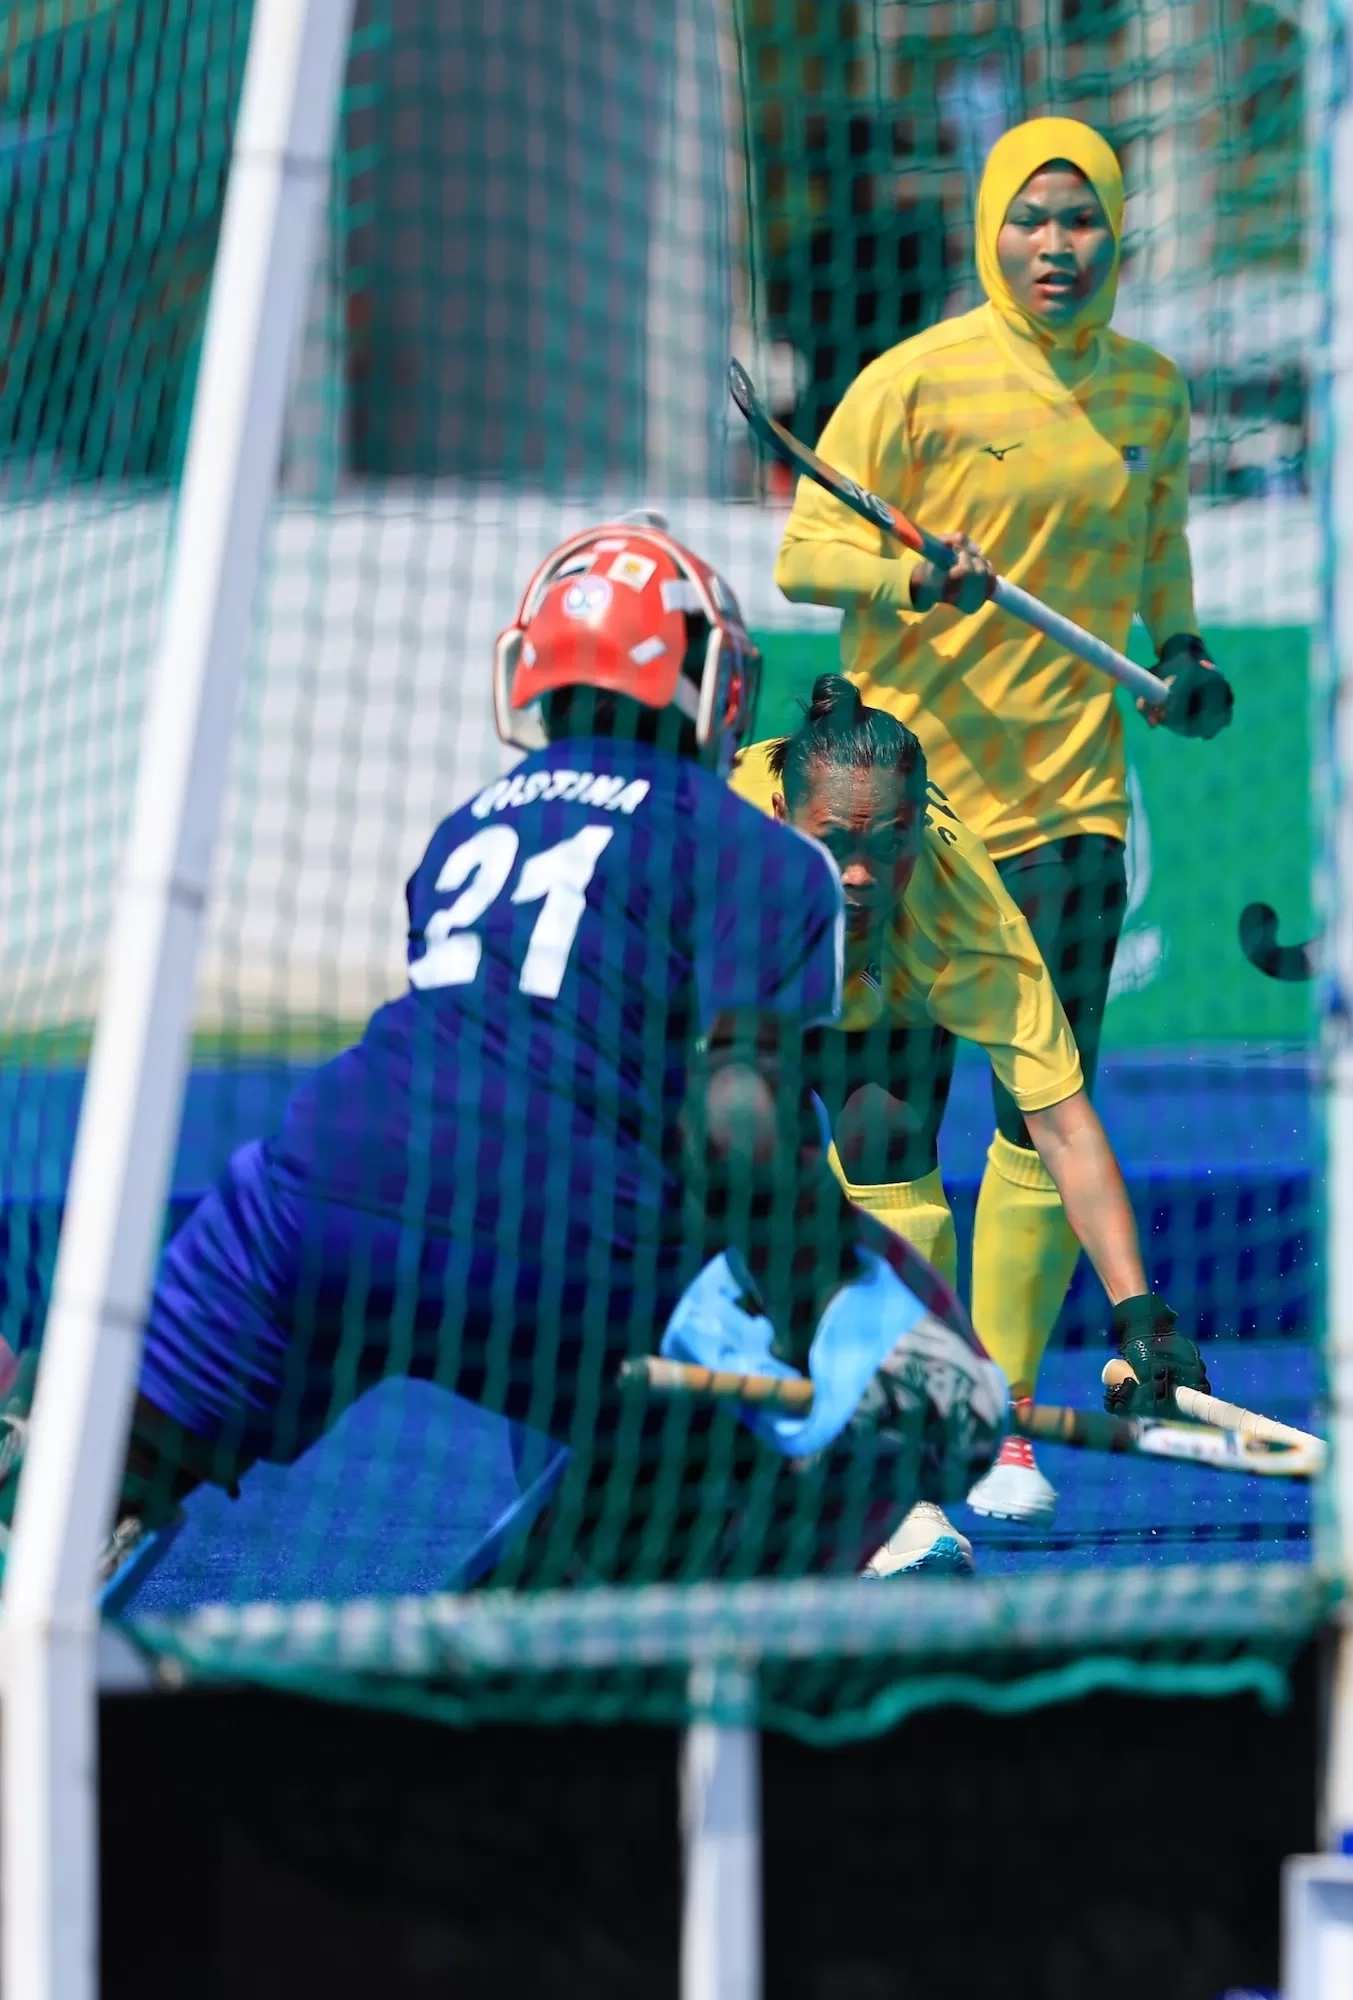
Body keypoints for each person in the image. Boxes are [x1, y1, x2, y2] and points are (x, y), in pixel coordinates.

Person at [27, 522, 1024, 1585]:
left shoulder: (462, 830)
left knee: (93, 1433)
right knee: (797, 1423)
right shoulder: (757, 849)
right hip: (569, 1215)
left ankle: (69, 1502)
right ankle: (534, 1641)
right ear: (712, 685)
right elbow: (742, 1123)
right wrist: (847, 1310)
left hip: (321, 1177)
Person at [777, 116, 1230, 1528]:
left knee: (1040, 1114)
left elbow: (1158, 546)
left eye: (1079, 220)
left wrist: (1186, 649)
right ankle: (917, 1422)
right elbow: (806, 550)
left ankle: (1009, 1428)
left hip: (1072, 804)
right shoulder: (912, 381)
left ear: (1115, 231)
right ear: (990, 227)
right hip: (900, 816)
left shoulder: (1153, 392)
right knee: (886, 1118)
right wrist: (914, 585)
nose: (1054, 245)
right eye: (1030, 219)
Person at [728, 675, 1200, 1530]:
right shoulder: (723, 845)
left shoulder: (967, 910)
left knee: (886, 1132)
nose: (866, 874)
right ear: (785, 818)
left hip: (887, 996)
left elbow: (1062, 1125)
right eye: (836, 844)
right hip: (755, 992)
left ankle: (920, 1450)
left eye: (891, 843)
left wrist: (1140, 1311)